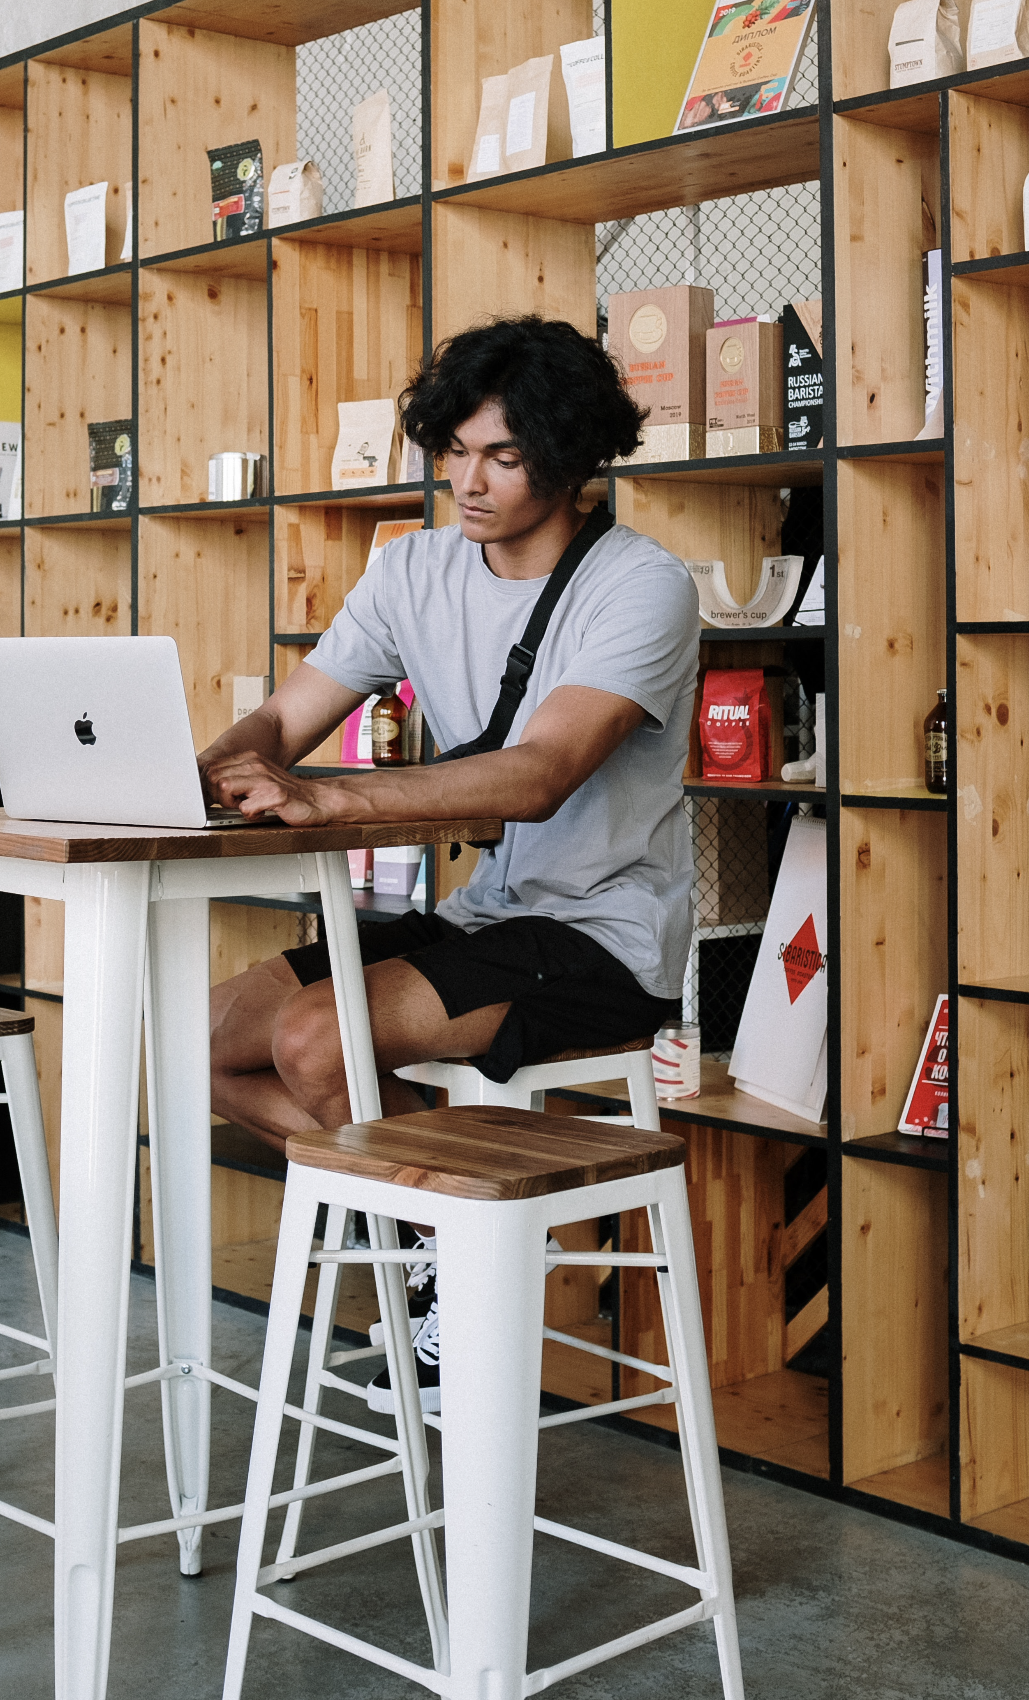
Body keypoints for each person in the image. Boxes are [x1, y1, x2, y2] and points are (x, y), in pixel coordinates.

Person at [198, 313, 701, 1404]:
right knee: (205, 1041)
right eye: (454, 450)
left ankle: (443, 1277)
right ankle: (440, 1240)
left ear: (570, 462)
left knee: (314, 1036)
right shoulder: (410, 568)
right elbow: (283, 722)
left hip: (599, 934)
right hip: (488, 914)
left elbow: (540, 771)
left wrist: (328, 794)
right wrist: (198, 770)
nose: (467, 482)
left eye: (502, 456)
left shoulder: (639, 585)